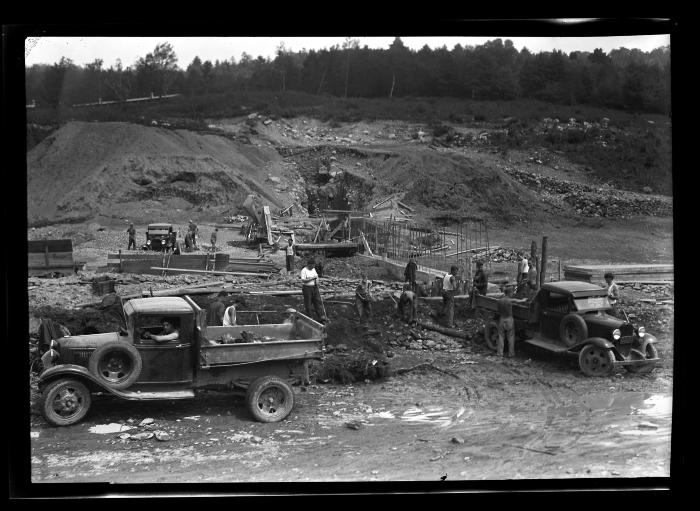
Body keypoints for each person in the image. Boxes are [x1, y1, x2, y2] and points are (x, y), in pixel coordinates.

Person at [497, 285, 528, 358]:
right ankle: (511, 354)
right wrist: (525, 299)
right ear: (509, 293)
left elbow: (498, 310)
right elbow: (520, 301)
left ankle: (500, 353)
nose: (512, 294)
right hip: (509, 320)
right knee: (510, 337)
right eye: (512, 293)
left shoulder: (500, 301)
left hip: (502, 319)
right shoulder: (510, 300)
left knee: (501, 336)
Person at [300, 259, 326, 323]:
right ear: (309, 265)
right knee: (308, 303)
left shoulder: (313, 269)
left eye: (314, 265)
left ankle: (321, 316)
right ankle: (310, 317)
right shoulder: (304, 270)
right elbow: (303, 280)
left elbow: (316, 276)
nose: (313, 267)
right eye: (312, 265)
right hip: (307, 288)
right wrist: (312, 278)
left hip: (315, 287)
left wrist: (317, 280)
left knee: (317, 301)